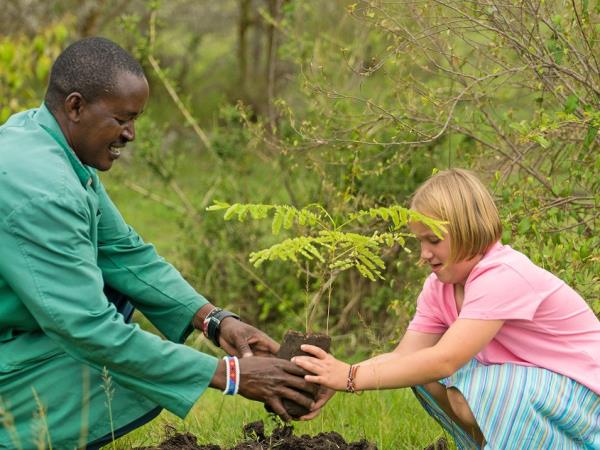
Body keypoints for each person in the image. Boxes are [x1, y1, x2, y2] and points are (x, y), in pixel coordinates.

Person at [0, 37, 316, 450]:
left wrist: (216, 321)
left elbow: (123, 253)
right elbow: (89, 329)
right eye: (121, 119)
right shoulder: (44, 189)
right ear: (75, 106)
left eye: (136, 120)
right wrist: (230, 375)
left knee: (133, 335)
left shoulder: (44, 140)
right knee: (131, 368)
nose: (130, 134)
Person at [293, 168, 600, 448]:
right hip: (548, 393)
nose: (425, 254)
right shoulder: (439, 288)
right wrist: (343, 377)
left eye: (434, 240)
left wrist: (350, 376)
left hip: (588, 399)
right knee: (418, 371)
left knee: (487, 391)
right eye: (420, 242)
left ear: (469, 229)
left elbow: (446, 360)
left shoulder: (503, 274)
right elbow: (405, 356)